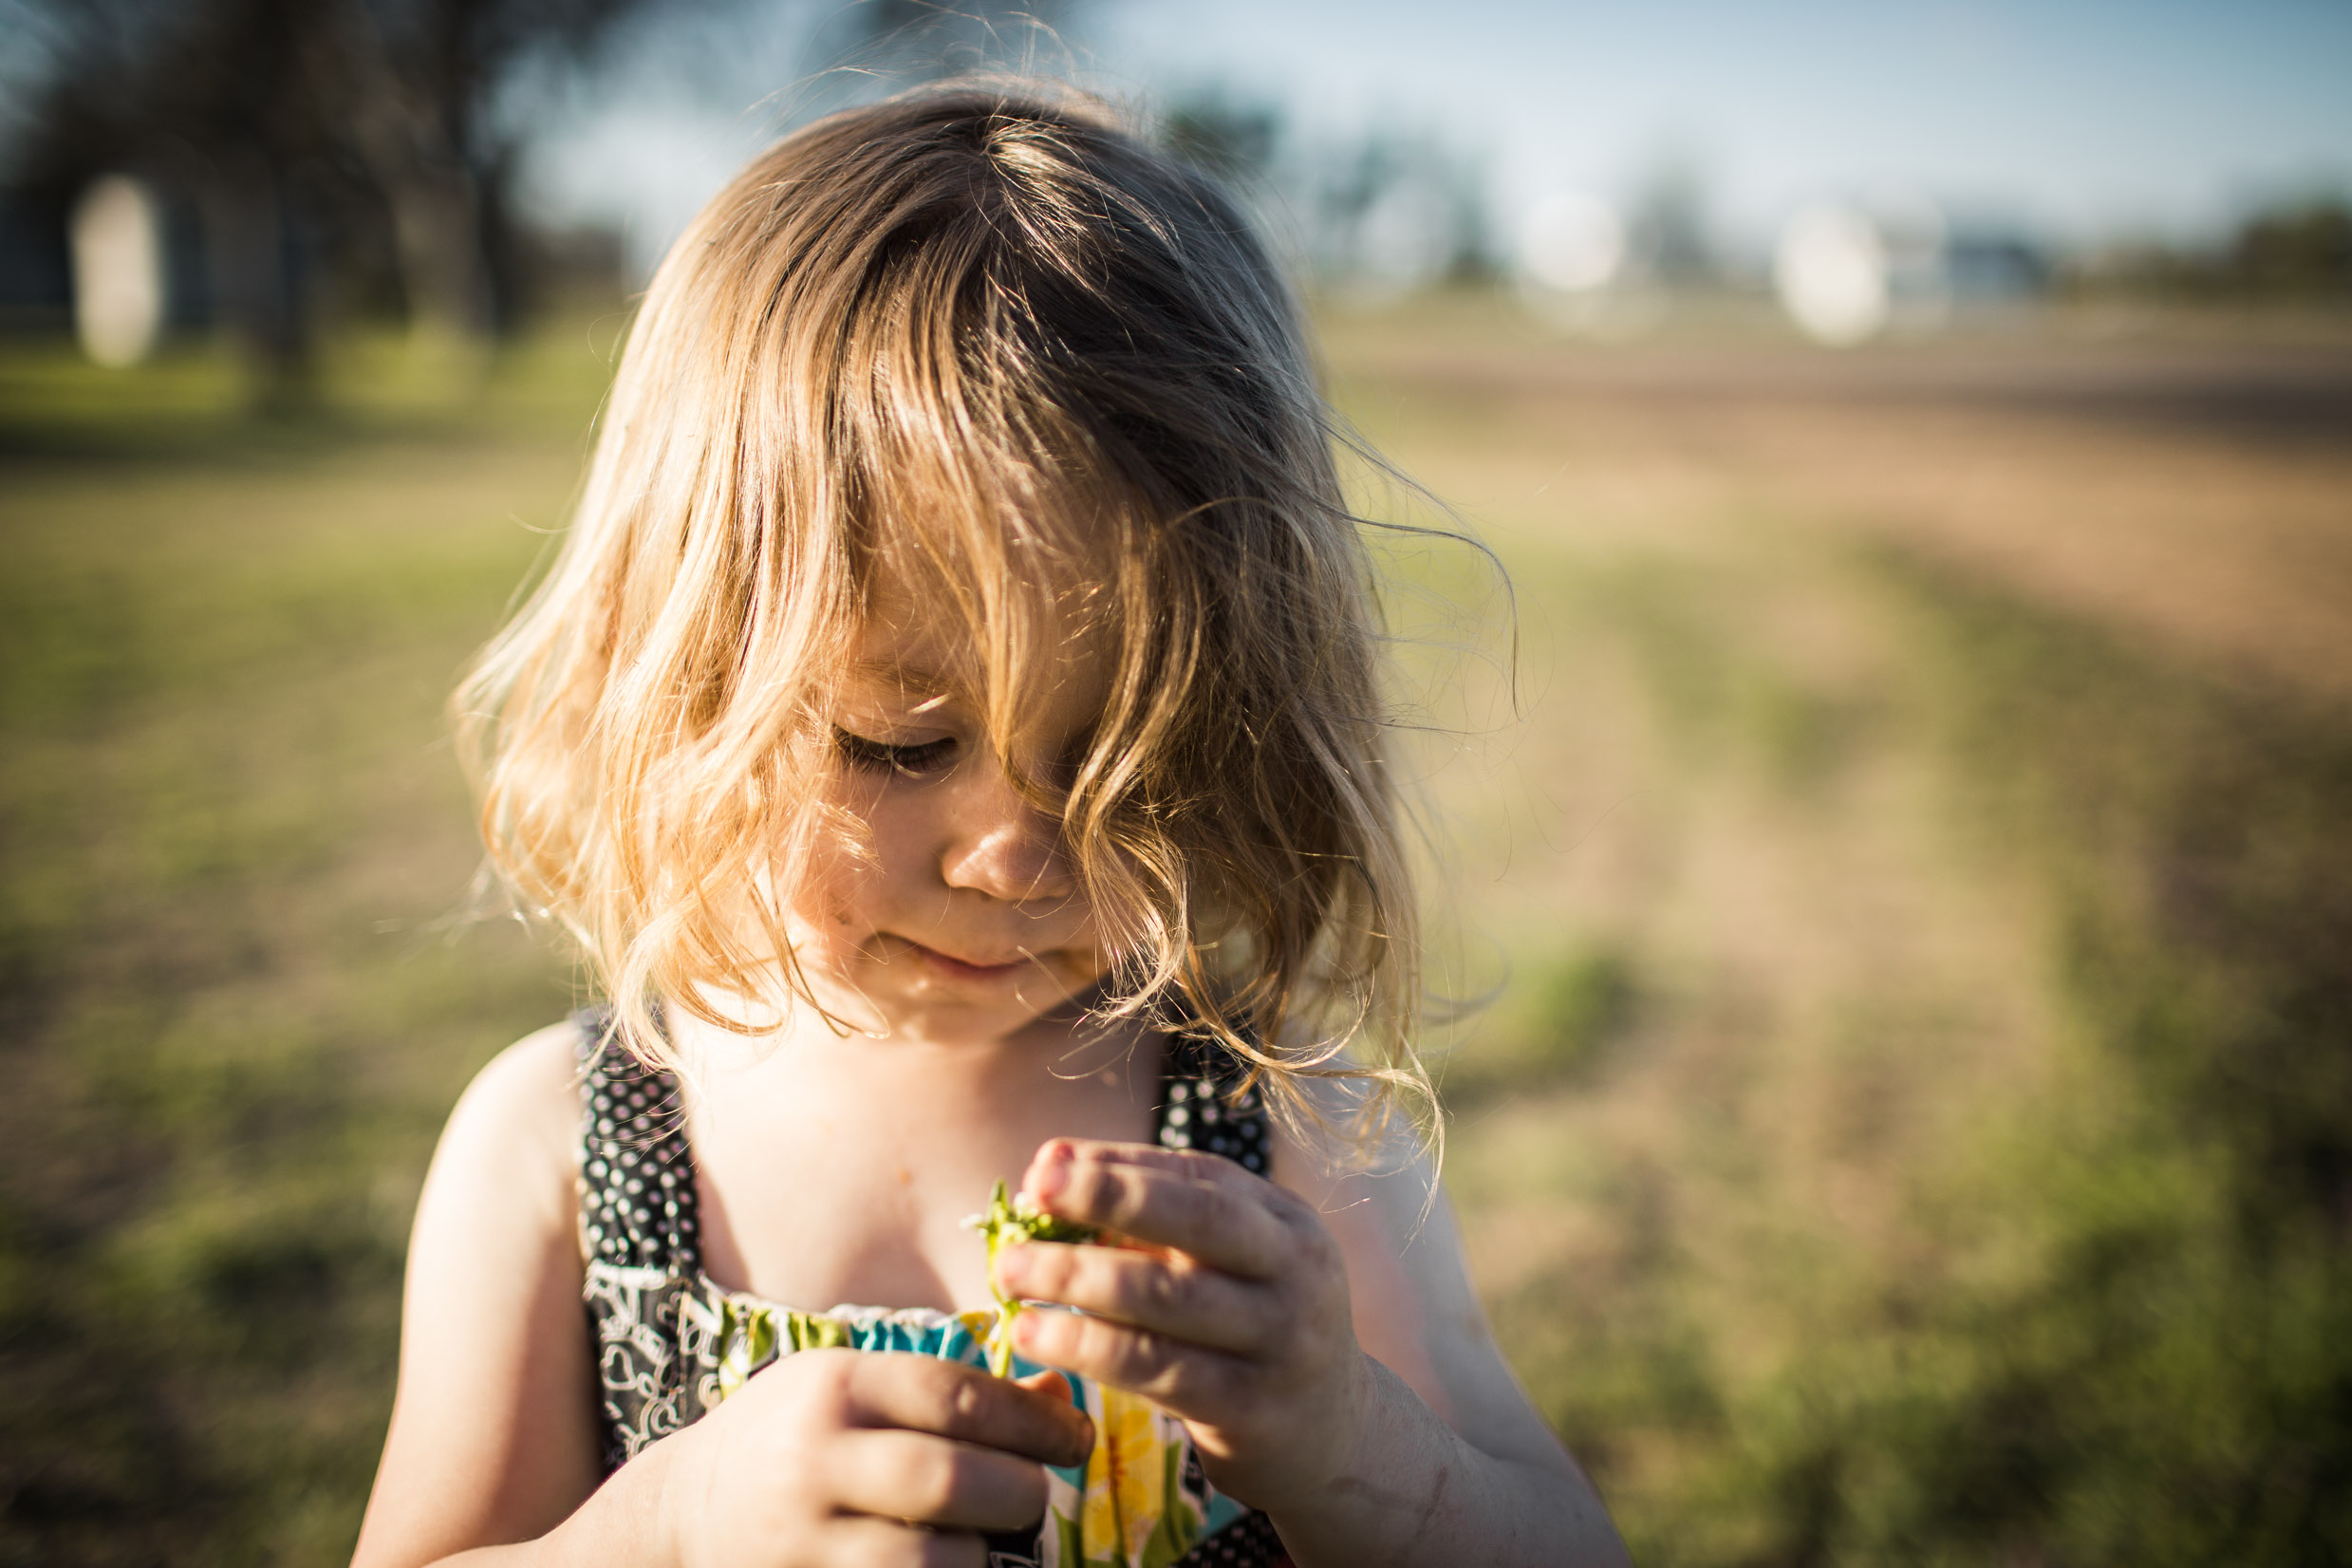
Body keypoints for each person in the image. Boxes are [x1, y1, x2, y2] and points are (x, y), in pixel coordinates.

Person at [351, 82, 1630, 1568]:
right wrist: (672, 1525)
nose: (1014, 857)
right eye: (900, 744)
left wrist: (1347, 1440)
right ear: (682, 674)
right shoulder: (564, 1152)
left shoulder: (1285, 1133)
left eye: (1126, 765)